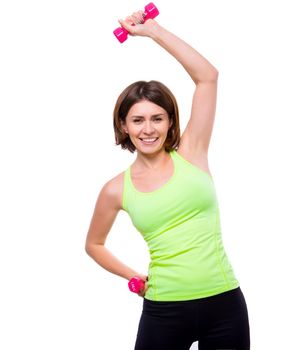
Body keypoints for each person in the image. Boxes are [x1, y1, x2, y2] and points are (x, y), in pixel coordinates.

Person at [85, 8, 250, 350]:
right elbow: (94, 245)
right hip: (163, 311)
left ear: (171, 122)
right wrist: (133, 277)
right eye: (138, 120)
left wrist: (154, 31)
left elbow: (208, 76)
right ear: (124, 127)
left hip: (225, 305)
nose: (148, 129)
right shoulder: (116, 189)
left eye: (158, 118)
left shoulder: (192, 151)